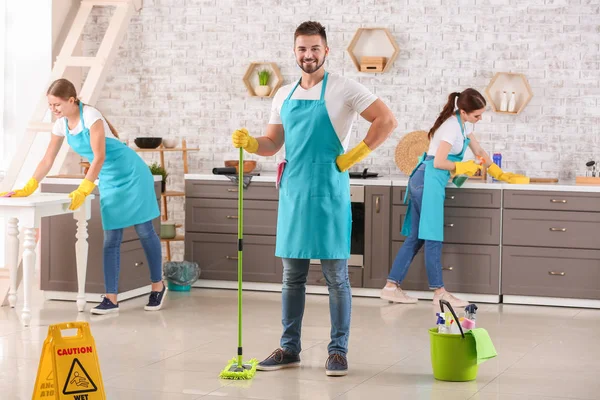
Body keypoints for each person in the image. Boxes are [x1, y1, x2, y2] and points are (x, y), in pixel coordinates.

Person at [232, 21, 397, 376]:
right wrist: (251, 144)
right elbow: (272, 143)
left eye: (315, 48)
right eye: (302, 49)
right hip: (293, 191)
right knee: (292, 276)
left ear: (326, 51)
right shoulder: (283, 94)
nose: (308, 55)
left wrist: (354, 156)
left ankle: (338, 351)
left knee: (337, 276)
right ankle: (289, 348)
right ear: (295, 52)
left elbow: (385, 120)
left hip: (328, 190)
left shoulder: (344, 88)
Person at [0, 78, 167, 314]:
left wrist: (85, 187)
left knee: (144, 231)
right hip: (109, 179)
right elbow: (47, 159)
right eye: (50, 105)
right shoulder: (61, 125)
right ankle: (111, 298)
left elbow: (98, 157)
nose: (53, 110)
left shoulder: (91, 116)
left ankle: (157, 286)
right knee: (111, 239)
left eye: (57, 105)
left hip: (132, 175)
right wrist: (29, 186)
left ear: (71, 100)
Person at [380, 88, 525, 308]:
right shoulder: (450, 127)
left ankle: (391, 287)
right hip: (428, 180)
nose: (480, 118)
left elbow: (479, 151)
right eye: (477, 115)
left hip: (427, 180)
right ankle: (440, 293)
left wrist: (499, 173)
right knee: (433, 236)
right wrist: (461, 166)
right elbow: (438, 162)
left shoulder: (464, 125)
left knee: (417, 237)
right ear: (464, 111)